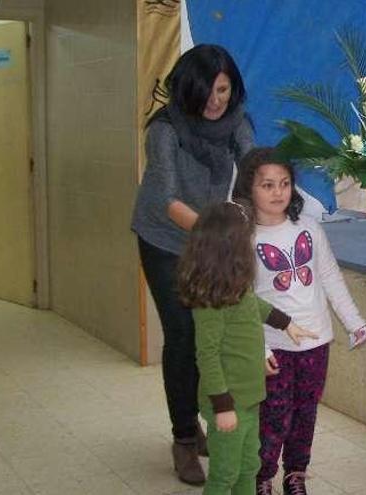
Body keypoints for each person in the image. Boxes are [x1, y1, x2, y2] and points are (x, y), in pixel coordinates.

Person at [131, 44, 254, 485]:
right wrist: (217, 232)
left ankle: (203, 419)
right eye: (206, 91)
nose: (215, 101)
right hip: (164, 239)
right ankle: (184, 438)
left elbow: (253, 172)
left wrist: (273, 207)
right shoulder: (164, 129)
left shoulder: (237, 122)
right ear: (187, 88)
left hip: (208, 240)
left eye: (223, 90)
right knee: (183, 334)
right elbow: (166, 200)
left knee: (213, 334)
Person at [232, 148, 366, 495]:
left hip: (315, 343)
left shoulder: (308, 228)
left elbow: (330, 277)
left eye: (284, 184)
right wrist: (260, 347)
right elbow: (243, 300)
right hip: (273, 347)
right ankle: (261, 476)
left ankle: (296, 474)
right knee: (273, 417)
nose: (278, 192)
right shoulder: (245, 238)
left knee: (305, 414)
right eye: (267, 185)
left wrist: (353, 321)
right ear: (249, 188)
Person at [179, 201, 317, 495]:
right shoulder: (209, 300)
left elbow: (254, 305)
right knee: (225, 474)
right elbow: (208, 356)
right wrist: (223, 407)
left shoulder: (235, 285)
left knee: (248, 468)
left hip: (250, 396)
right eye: (247, 238)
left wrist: (286, 322)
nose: (251, 244)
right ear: (228, 247)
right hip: (228, 403)